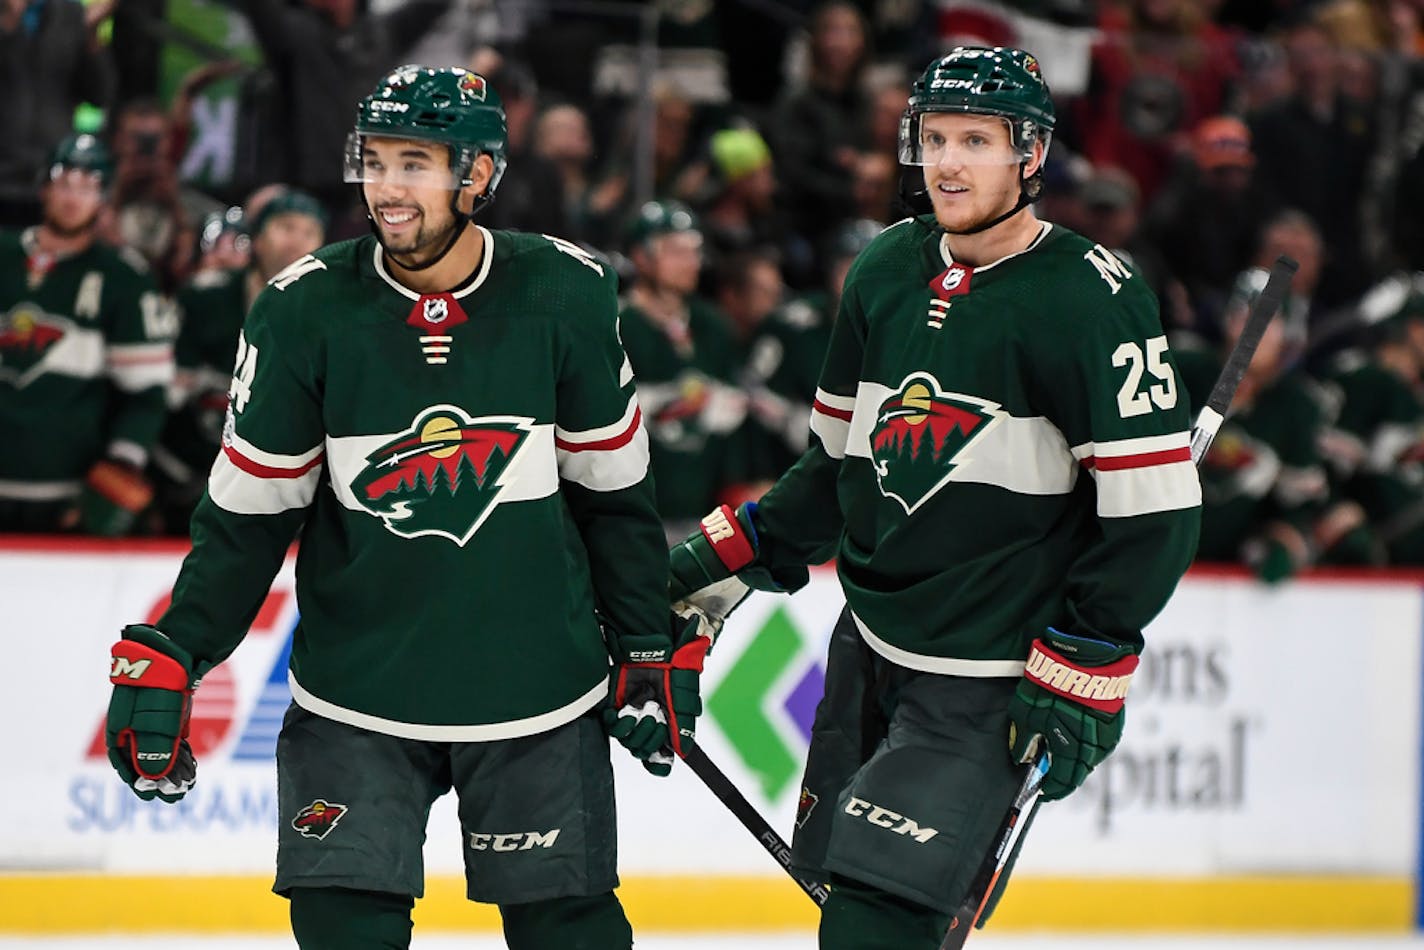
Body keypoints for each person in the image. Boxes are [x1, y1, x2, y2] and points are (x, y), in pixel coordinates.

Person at [101, 65, 705, 950]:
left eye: (415, 163)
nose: (386, 187)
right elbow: (247, 518)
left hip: (535, 687)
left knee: (570, 933)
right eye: (376, 160)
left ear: (478, 176)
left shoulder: (563, 294)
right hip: (357, 695)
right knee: (343, 930)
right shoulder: (304, 310)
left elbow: (614, 501)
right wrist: (176, 647)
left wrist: (645, 641)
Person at [667, 47, 1201, 948]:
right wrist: (705, 572)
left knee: (873, 929)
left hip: (984, 680)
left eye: (977, 141)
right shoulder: (882, 270)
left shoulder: (1088, 296)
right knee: (858, 911)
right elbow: (837, 471)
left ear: (1031, 156)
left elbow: (1155, 512)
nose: (947, 163)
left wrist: (1091, 651)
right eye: (935, 138)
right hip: (869, 648)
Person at [0, 134, 173, 535]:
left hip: (63, 497)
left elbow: (147, 395)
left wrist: (122, 462)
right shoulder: (4, 257)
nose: (72, 198)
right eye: (64, 183)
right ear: (45, 188)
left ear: (104, 200)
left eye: (88, 187)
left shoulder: (125, 279)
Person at [150, 189, 327, 535]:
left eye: (309, 232)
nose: (296, 241)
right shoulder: (203, 298)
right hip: (182, 480)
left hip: (281, 496)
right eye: (286, 227)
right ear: (257, 240)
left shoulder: (334, 319)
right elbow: (157, 395)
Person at [617, 199, 750, 536]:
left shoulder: (713, 325)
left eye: (694, 251)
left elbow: (734, 419)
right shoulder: (615, 326)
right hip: (632, 520)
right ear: (641, 256)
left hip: (705, 518)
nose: (690, 262)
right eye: (676, 251)